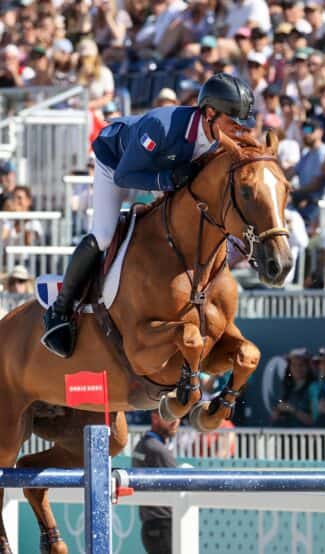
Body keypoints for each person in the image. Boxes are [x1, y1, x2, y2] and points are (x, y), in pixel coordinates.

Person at [43, 73, 256, 358]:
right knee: (105, 234)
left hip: (160, 169)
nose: (237, 129)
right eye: (232, 121)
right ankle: (60, 309)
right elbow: (126, 175)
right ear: (209, 113)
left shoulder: (219, 138)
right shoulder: (162, 126)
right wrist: (168, 180)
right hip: (115, 162)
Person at [132, 410, 179, 554]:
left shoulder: (142, 444)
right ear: (155, 417)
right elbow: (180, 486)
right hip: (165, 527)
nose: (175, 421)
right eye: (170, 416)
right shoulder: (158, 450)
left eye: (178, 416)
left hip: (150, 527)